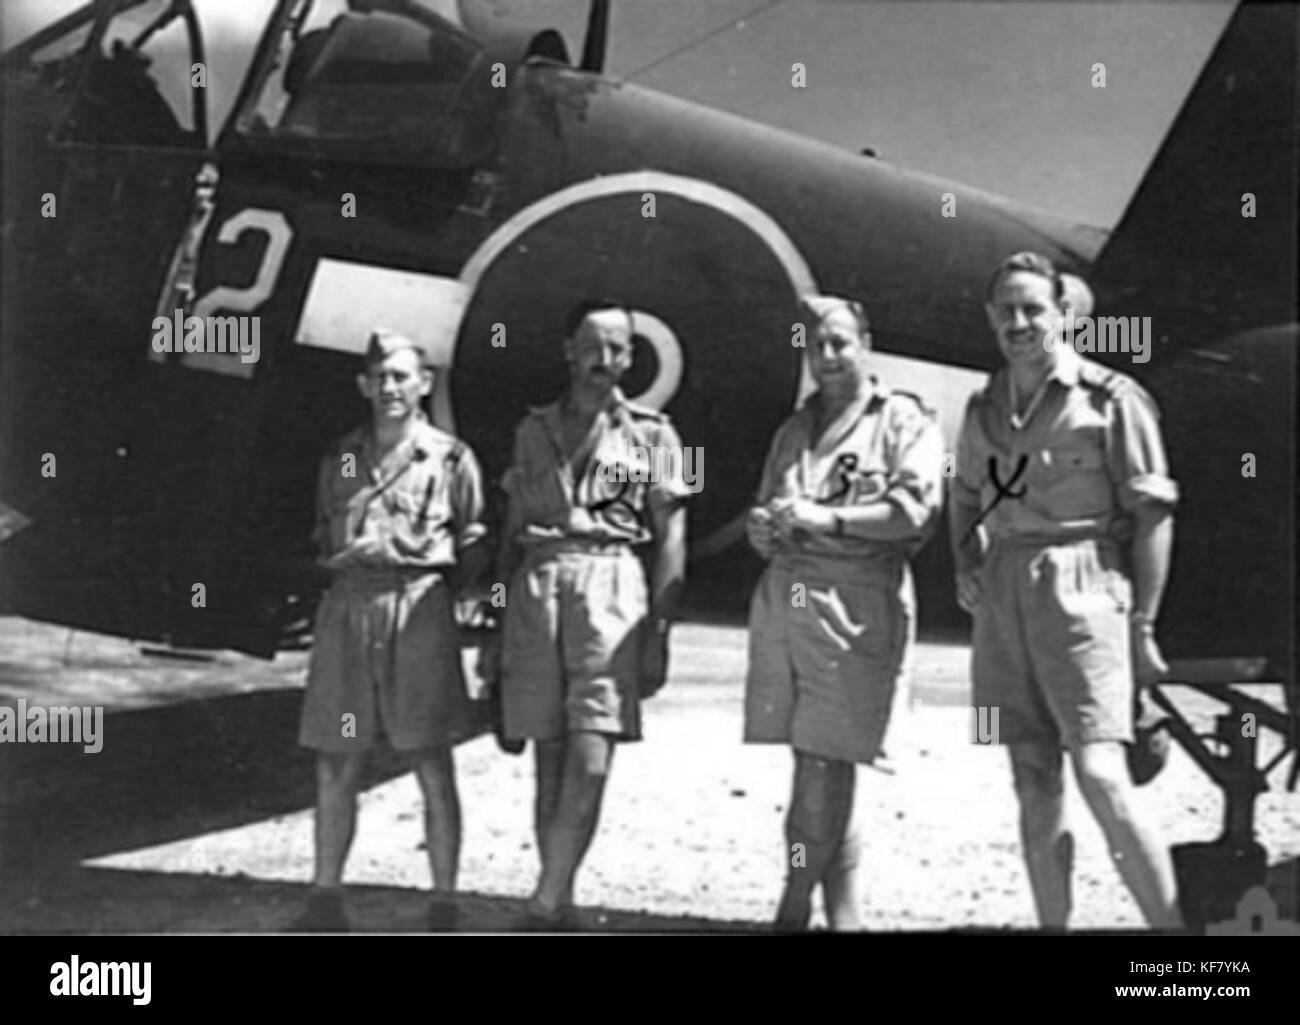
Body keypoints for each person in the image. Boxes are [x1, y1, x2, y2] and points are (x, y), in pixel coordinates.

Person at [949, 251, 1182, 930]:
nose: (1020, 323)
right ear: (991, 317)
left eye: (1033, 309)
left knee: (1103, 772)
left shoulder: (1112, 399)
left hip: (1085, 582)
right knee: (1030, 775)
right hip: (1004, 592)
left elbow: (1154, 513)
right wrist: (965, 560)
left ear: (1063, 314)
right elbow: (964, 495)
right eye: (1007, 311)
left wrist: (1142, 625)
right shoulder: (981, 404)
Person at [481, 298, 689, 930]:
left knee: (593, 751)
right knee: (546, 753)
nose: (606, 360)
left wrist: (658, 629)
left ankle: (543, 900)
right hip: (537, 582)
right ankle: (560, 903)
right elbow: (511, 532)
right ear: (568, 350)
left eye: (619, 349)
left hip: (612, 583)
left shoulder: (654, 433)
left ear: (631, 357)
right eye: (593, 346)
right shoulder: (531, 430)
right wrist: (494, 624)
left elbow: (672, 534)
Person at [744, 295, 944, 931]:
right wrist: (763, 530)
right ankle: (844, 914)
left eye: (839, 343)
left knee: (824, 761)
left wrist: (828, 519)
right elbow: (773, 504)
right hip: (788, 597)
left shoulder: (905, 421)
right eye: (814, 346)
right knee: (816, 757)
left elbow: (915, 513)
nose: (826, 357)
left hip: (856, 601)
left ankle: (794, 902)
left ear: (866, 343)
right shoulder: (794, 429)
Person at [293, 329, 488, 932]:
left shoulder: (450, 457)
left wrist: (468, 603)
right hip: (351, 607)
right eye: (380, 377)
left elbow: (474, 535)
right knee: (337, 754)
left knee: (429, 755)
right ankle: (325, 899)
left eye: (402, 376)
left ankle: (445, 903)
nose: (390, 388)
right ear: (363, 385)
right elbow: (325, 530)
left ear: (425, 383)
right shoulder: (342, 455)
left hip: (418, 607)